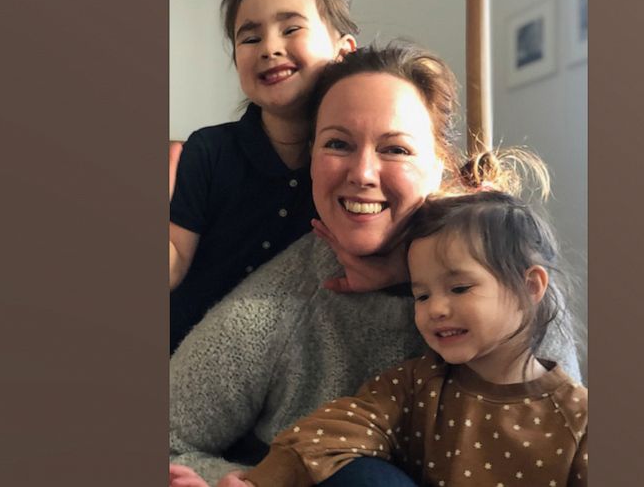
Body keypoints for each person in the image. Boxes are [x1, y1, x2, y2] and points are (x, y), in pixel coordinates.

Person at [169, 43, 582, 487]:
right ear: (311, 163)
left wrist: (411, 279)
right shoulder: (275, 307)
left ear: (438, 167)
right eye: (338, 144)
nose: (363, 173)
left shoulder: (513, 281)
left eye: (396, 149)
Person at [218, 180, 588, 487]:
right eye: (421, 295)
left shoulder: (579, 419)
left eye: (459, 288)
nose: (435, 309)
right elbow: (328, 433)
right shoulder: (415, 385)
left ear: (531, 286)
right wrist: (257, 483)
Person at [169, 0, 357, 354]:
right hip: (186, 352)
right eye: (250, 37)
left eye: (290, 29)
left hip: (293, 362)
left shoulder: (355, 164)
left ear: (343, 50)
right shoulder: (208, 150)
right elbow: (174, 260)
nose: (269, 48)